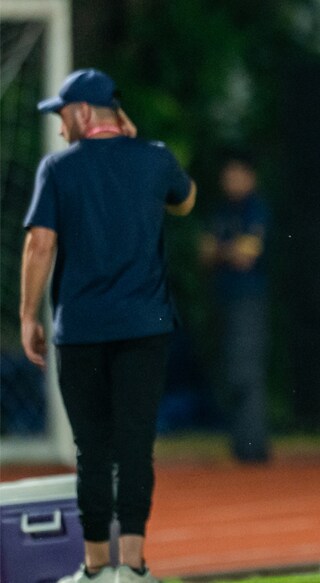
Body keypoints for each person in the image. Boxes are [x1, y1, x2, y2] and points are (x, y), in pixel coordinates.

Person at [20, 68, 196, 583]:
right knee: (136, 446)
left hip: (81, 330)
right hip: (145, 325)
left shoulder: (58, 169)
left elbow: (40, 244)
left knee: (91, 450)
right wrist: (141, 147)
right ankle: (134, 567)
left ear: (79, 114)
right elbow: (185, 200)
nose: (58, 128)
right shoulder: (155, 158)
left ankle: (95, 568)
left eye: (60, 116)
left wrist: (28, 314)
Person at [198, 151, 272, 463]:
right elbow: (203, 254)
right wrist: (229, 252)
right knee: (230, 372)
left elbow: (247, 255)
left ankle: (254, 447)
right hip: (225, 299)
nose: (231, 181)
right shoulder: (221, 210)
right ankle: (241, 445)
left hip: (249, 300)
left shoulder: (257, 209)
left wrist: (221, 251)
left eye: (237, 174)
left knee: (246, 372)